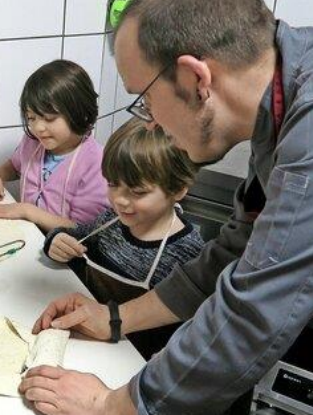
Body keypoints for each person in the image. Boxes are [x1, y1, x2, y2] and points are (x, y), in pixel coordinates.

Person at [20, 0, 313, 414]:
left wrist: (113, 405)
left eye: (146, 98)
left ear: (196, 79)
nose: (149, 121)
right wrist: (114, 318)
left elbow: (256, 310)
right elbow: (236, 251)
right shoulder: (281, 96)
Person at [43, 117, 202, 359]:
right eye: (113, 185)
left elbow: (189, 338)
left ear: (178, 189)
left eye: (138, 192)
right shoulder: (111, 220)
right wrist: (56, 241)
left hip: (133, 362)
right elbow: (77, 236)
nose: (120, 200)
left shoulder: (188, 253)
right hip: (87, 344)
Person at [0, 60, 108, 233]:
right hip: (27, 236)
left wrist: (27, 211)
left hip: (61, 255)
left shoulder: (97, 164)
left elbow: (83, 230)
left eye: (49, 118)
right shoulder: (33, 142)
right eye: (31, 118)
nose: (38, 128)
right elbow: (15, 166)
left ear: (80, 112)